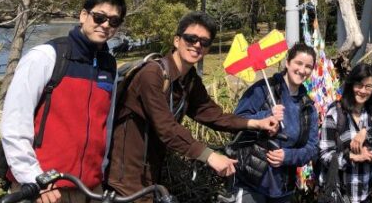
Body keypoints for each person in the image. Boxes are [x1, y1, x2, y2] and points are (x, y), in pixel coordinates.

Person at [107, 13, 280, 199]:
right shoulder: (151, 75)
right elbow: (166, 128)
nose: (197, 45)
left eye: (204, 42)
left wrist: (256, 123)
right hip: (125, 175)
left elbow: (213, 115)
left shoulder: (189, 81)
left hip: (151, 172)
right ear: (177, 40)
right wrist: (209, 156)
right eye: (191, 38)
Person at [0, 0, 127, 203]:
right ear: (83, 15)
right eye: (99, 17)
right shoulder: (46, 56)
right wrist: (34, 179)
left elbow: (104, 127)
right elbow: (14, 125)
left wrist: (101, 173)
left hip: (89, 190)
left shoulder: (109, 66)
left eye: (114, 21)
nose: (105, 25)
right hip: (43, 190)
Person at [234, 42, 319, 203]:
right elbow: (236, 121)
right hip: (250, 182)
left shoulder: (308, 107)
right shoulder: (263, 90)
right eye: (298, 63)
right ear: (287, 63)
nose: (302, 70)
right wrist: (266, 115)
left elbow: (312, 148)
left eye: (308, 66)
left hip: (283, 187)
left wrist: (288, 156)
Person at [318, 63, 372, 203]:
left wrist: (367, 133)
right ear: (351, 85)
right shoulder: (336, 114)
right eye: (359, 85)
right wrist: (354, 157)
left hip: (364, 194)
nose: (363, 91)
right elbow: (324, 155)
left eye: (368, 87)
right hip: (339, 193)